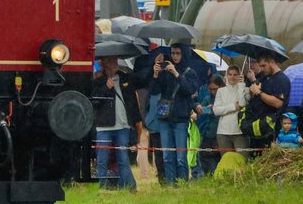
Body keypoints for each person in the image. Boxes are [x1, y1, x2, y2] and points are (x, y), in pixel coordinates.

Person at [151, 45, 198, 184]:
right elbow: (154, 91)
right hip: (164, 117)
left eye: (178, 53)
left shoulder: (190, 72)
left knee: (181, 156)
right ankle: (170, 184)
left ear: (183, 54)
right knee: (167, 155)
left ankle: (182, 183)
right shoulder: (165, 71)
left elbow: (189, 90)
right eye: (173, 53)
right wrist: (155, 74)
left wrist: (176, 74)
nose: (175, 56)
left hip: (181, 118)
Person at [92, 55, 140, 190]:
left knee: (123, 158)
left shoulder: (125, 78)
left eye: (115, 60)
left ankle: (129, 186)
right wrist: (106, 88)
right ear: (104, 63)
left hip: (123, 125)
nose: (114, 64)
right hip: (104, 126)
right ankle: (103, 186)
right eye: (111, 61)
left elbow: (132, 101)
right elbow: (94, 102)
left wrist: (136, 122)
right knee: (102, 158)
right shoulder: (97, 80)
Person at [243, 52, 291, 149]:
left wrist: (259, 93)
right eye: (260, 66)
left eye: (264, 65)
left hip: (272, 127)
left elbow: (278, 103)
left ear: (272, 62)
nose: (262, 69)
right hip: (258, 124)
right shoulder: (265, 77)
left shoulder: (282, 79)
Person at [213, 65, 249, 155]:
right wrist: (233, 107)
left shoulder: (245, 89)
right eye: (230, 74)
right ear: (226, 75)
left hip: (240, 131)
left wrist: (241, 86)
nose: (232, 77)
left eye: (235, 74)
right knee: (226, 162)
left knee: (242, 161)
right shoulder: (221, 91)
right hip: (223, 132)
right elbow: (216, 110)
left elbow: (242, 104)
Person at [193, 75, 222, 177]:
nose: (213, 91)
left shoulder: (226, 97)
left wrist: (217, 109)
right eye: (210, 89)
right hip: (207, 133)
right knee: (204, 157)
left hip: (221, 134)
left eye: (215, 89)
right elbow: (200, 109)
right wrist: (198, 110)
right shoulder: (208, 97)